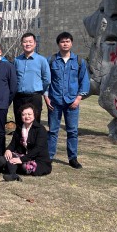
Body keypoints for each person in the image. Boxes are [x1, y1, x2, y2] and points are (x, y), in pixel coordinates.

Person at [45, 31, 90, 169]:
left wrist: (78, 99)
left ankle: (72, 158)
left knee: (72, 131)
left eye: (67, 41)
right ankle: (49, 156)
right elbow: (46, 80)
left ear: (71, 43)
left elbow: (84, 81)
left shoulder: (79, 61)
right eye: (62, 41)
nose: (65, 44)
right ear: (58, 44)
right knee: (53, 130)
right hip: (54, 101)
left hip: (72, 102)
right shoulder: (51, 60)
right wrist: (46, 97)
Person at [3, 103, 52, 181]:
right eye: (24, 114)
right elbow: (13, 144)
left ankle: (13, 170)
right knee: (9, 157)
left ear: (34, 115)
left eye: (29, 114)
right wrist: (8, 150)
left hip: (38, 160)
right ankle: (13, 175)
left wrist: (22, 159)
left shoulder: (40, 129)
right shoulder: (19, 128)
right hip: (23, 156)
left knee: (25, 166)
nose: (27, 117)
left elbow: (38, 149)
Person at [13, 32, 50, 123]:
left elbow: (47, 79)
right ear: (22, 44)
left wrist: (39, 89)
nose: (28, 44)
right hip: (19, 97)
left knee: (34, 124)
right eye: (25, 42)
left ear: (35, 43)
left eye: (30, 41)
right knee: (19, 122)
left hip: (34, 97)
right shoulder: (17, 60)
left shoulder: (41, 60)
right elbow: (14, 77)